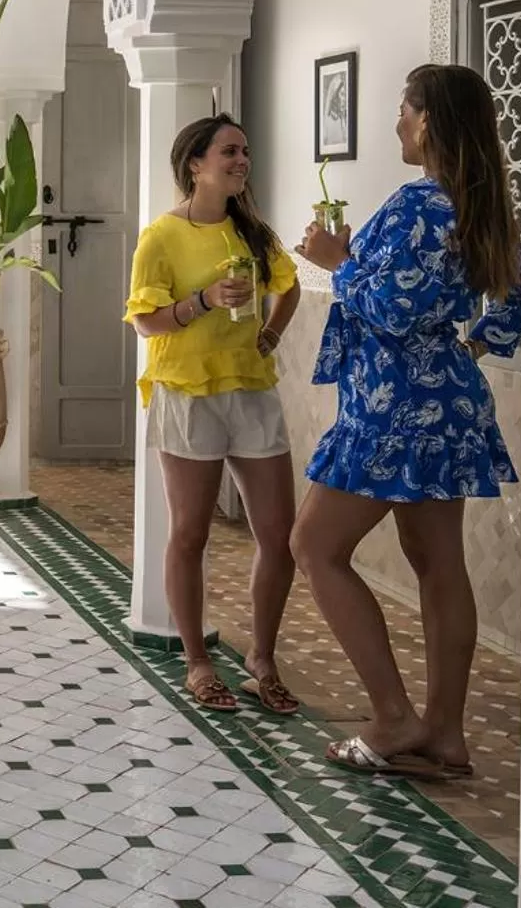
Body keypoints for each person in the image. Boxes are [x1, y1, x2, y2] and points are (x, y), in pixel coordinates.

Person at [291, 64, 521, 780]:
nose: (396, 120)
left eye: (403, 107)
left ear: (427, 121)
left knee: (314, 545)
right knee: (438, 564)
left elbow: (390, 308)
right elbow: (509, 310)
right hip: (449, 403)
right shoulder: (484, 204)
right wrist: (462, 349)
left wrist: (337, 260)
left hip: (392, 412)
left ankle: (394, 715)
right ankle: (445, 735)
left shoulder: (422, 204)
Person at [124, 114, 303, 715]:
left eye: (245, 150)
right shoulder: (161, 237)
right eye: (229, 151)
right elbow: (146, 321)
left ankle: (263, 660)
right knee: (190, 532)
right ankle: (198, 662)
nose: (242, 159)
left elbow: (290, 286)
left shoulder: (253, 233)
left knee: (281, 536)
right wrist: (201, 302)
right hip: (187, 392)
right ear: (195, 164)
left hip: (251, 390)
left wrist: (272, 334)